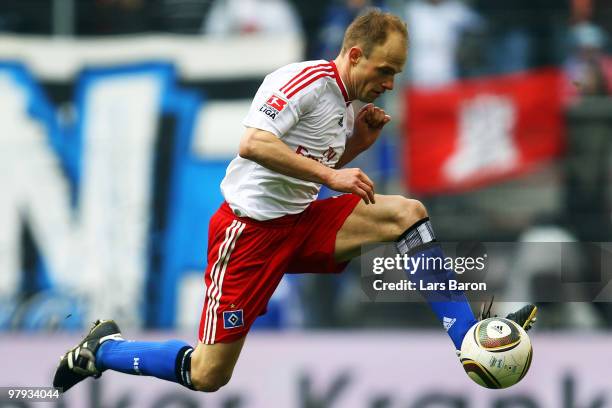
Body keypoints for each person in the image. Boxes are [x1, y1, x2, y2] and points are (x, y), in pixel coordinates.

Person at [53, 9, 537, 393]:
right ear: (354, 54)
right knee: (207, 375)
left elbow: (305, 170)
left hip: (301, 221)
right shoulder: (303, 82)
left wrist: (355, 148)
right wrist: (335, 172)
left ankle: (469, 338)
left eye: (397, 73)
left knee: (407, 214)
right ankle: (105, 348)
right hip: (247, 235)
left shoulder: (349, 108)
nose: (390, 83)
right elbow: (254, 145)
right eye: (385, 70)